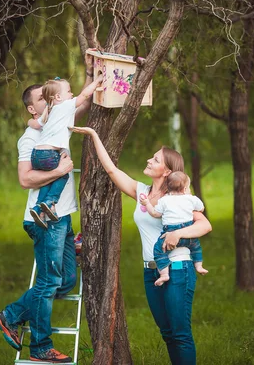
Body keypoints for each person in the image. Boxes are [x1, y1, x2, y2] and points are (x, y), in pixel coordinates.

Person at [70, 126, 212, 365]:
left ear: (167, 171)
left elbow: (204, 225)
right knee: (167, 333)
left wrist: (177, 233)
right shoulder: (142, 192)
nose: (149, 159)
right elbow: (111, 169)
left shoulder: (179, 198)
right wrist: (94, 135)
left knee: (180, 333)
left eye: (155, 159)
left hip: (178, 269)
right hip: (151, 271)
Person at [0, 64, 94, 364]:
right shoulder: (30, 139)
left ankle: (11, 315)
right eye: (44, 98)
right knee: (49, 283)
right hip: (43, 220)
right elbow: (25, 180)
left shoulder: (56, 121)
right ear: (32, 109)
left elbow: (83, 103)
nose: (52, 100)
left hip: (61, 217)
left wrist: (91, 73)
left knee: (63, 282)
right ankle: (40, 347)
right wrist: (60, 170)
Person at [26, 75, 103, 229]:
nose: (72, 94)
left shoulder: (50, 110)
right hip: (49, 154)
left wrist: (28, 121)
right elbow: (84, 96)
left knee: (48, 181)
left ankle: (37, 208)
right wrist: (96, 82)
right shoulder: (65, 106)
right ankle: (50, 202)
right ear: (59, 97)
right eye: (69, 91)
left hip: (36, 155)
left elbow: (35, 123)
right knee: (63, 175)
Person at [141, 171, 209, 287]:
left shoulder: (164, 201)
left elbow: (155, 213)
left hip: (170, 234)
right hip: (188, 234)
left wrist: (147, 203)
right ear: (185, 189)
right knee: (196, 246)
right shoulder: (191, 199)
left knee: (158, 250)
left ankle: (164, 274)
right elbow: (201, 208)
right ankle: (199, 266)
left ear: (168, 187)